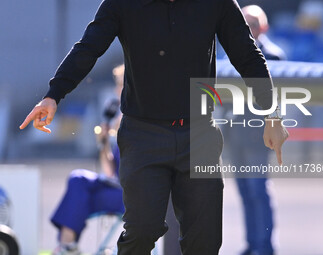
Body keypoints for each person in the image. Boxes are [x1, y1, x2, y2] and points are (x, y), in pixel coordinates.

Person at [19, 0, 289, 254]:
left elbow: (248, 56)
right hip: (142, 134)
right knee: (142, 230)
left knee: (205, 241)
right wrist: (53, 95)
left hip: (200, 134)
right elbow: (88, 48)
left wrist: (272, 114)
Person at [224, 5, 286, 255]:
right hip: (235, 134)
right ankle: (253, 245)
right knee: (245, 193)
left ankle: (265, 246)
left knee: (258, 190)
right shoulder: (230, 53)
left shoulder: (274, 57)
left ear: (264, 27)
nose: (248, 29)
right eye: (245, 23)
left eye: (253, 23)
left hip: (259, 136)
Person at [51, 65, 125, 255]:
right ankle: (68, 245)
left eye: (122, 85)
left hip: (132, 194)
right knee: (78, 182)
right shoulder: (119, 117)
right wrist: (104, 144)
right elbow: (110, 172)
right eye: (117, 85)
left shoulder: (135, 117)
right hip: (116, 186)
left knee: (79, 189)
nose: (118, 90)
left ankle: (67, 246)